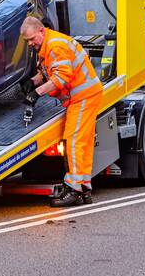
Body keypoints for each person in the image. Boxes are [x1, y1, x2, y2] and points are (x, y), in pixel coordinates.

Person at [20, 16, 103, 207]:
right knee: (83, 142)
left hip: (83, 96)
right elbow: (50, 70)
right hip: (84, 96)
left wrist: (36, 93)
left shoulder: (55, 45)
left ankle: (74, 189)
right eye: (27, 42)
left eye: (32, 39)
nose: (31, 44)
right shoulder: (48, 44)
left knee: (73, 141)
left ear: (41, 31)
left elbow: (62, 78)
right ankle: (83, 188)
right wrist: (33, 81)